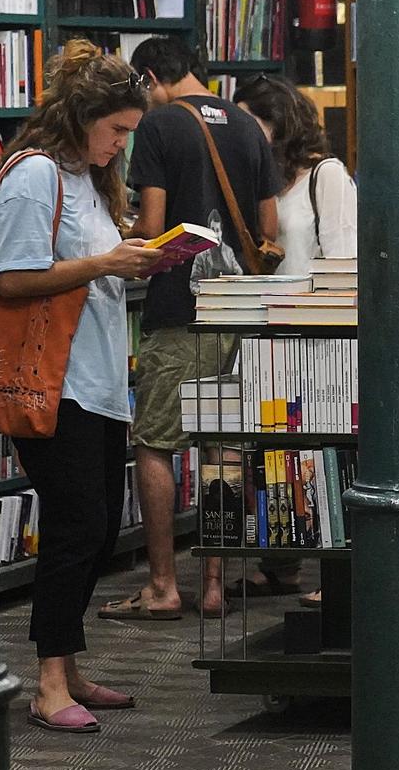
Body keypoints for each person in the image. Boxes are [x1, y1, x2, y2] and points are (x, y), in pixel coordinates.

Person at [0, 41, 164, 732]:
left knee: (94, 530)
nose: (121, 144)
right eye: (116, 130)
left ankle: (69, 664)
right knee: (77, 525)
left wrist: (129, 261)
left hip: (95, 380)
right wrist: (104, 260)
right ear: (83, 115)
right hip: (53, 381)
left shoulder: (86, 176)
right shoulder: (35, 176)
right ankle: (48, 682)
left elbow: (82, 266)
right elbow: (10, 278)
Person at [102, 36, 281, 622]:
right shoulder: (248, 125)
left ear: (152, 78)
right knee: (223, 444)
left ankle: (161, 586)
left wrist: (122, 228)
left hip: (181, 309)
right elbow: (267, 226)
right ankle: (212, 584)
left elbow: (154, 226)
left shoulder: (159, 128)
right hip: (243, 310)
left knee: (156, 442)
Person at [234, 74, 359, 608]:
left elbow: (343, 257)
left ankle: (336, 569)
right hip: (267, 327)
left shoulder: (324, 176)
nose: (242, 132)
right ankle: (279, 563)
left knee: (324, 452)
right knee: (269, 450)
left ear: (277, 121)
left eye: (250, 120)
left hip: (320, 330)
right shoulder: (258, 177)